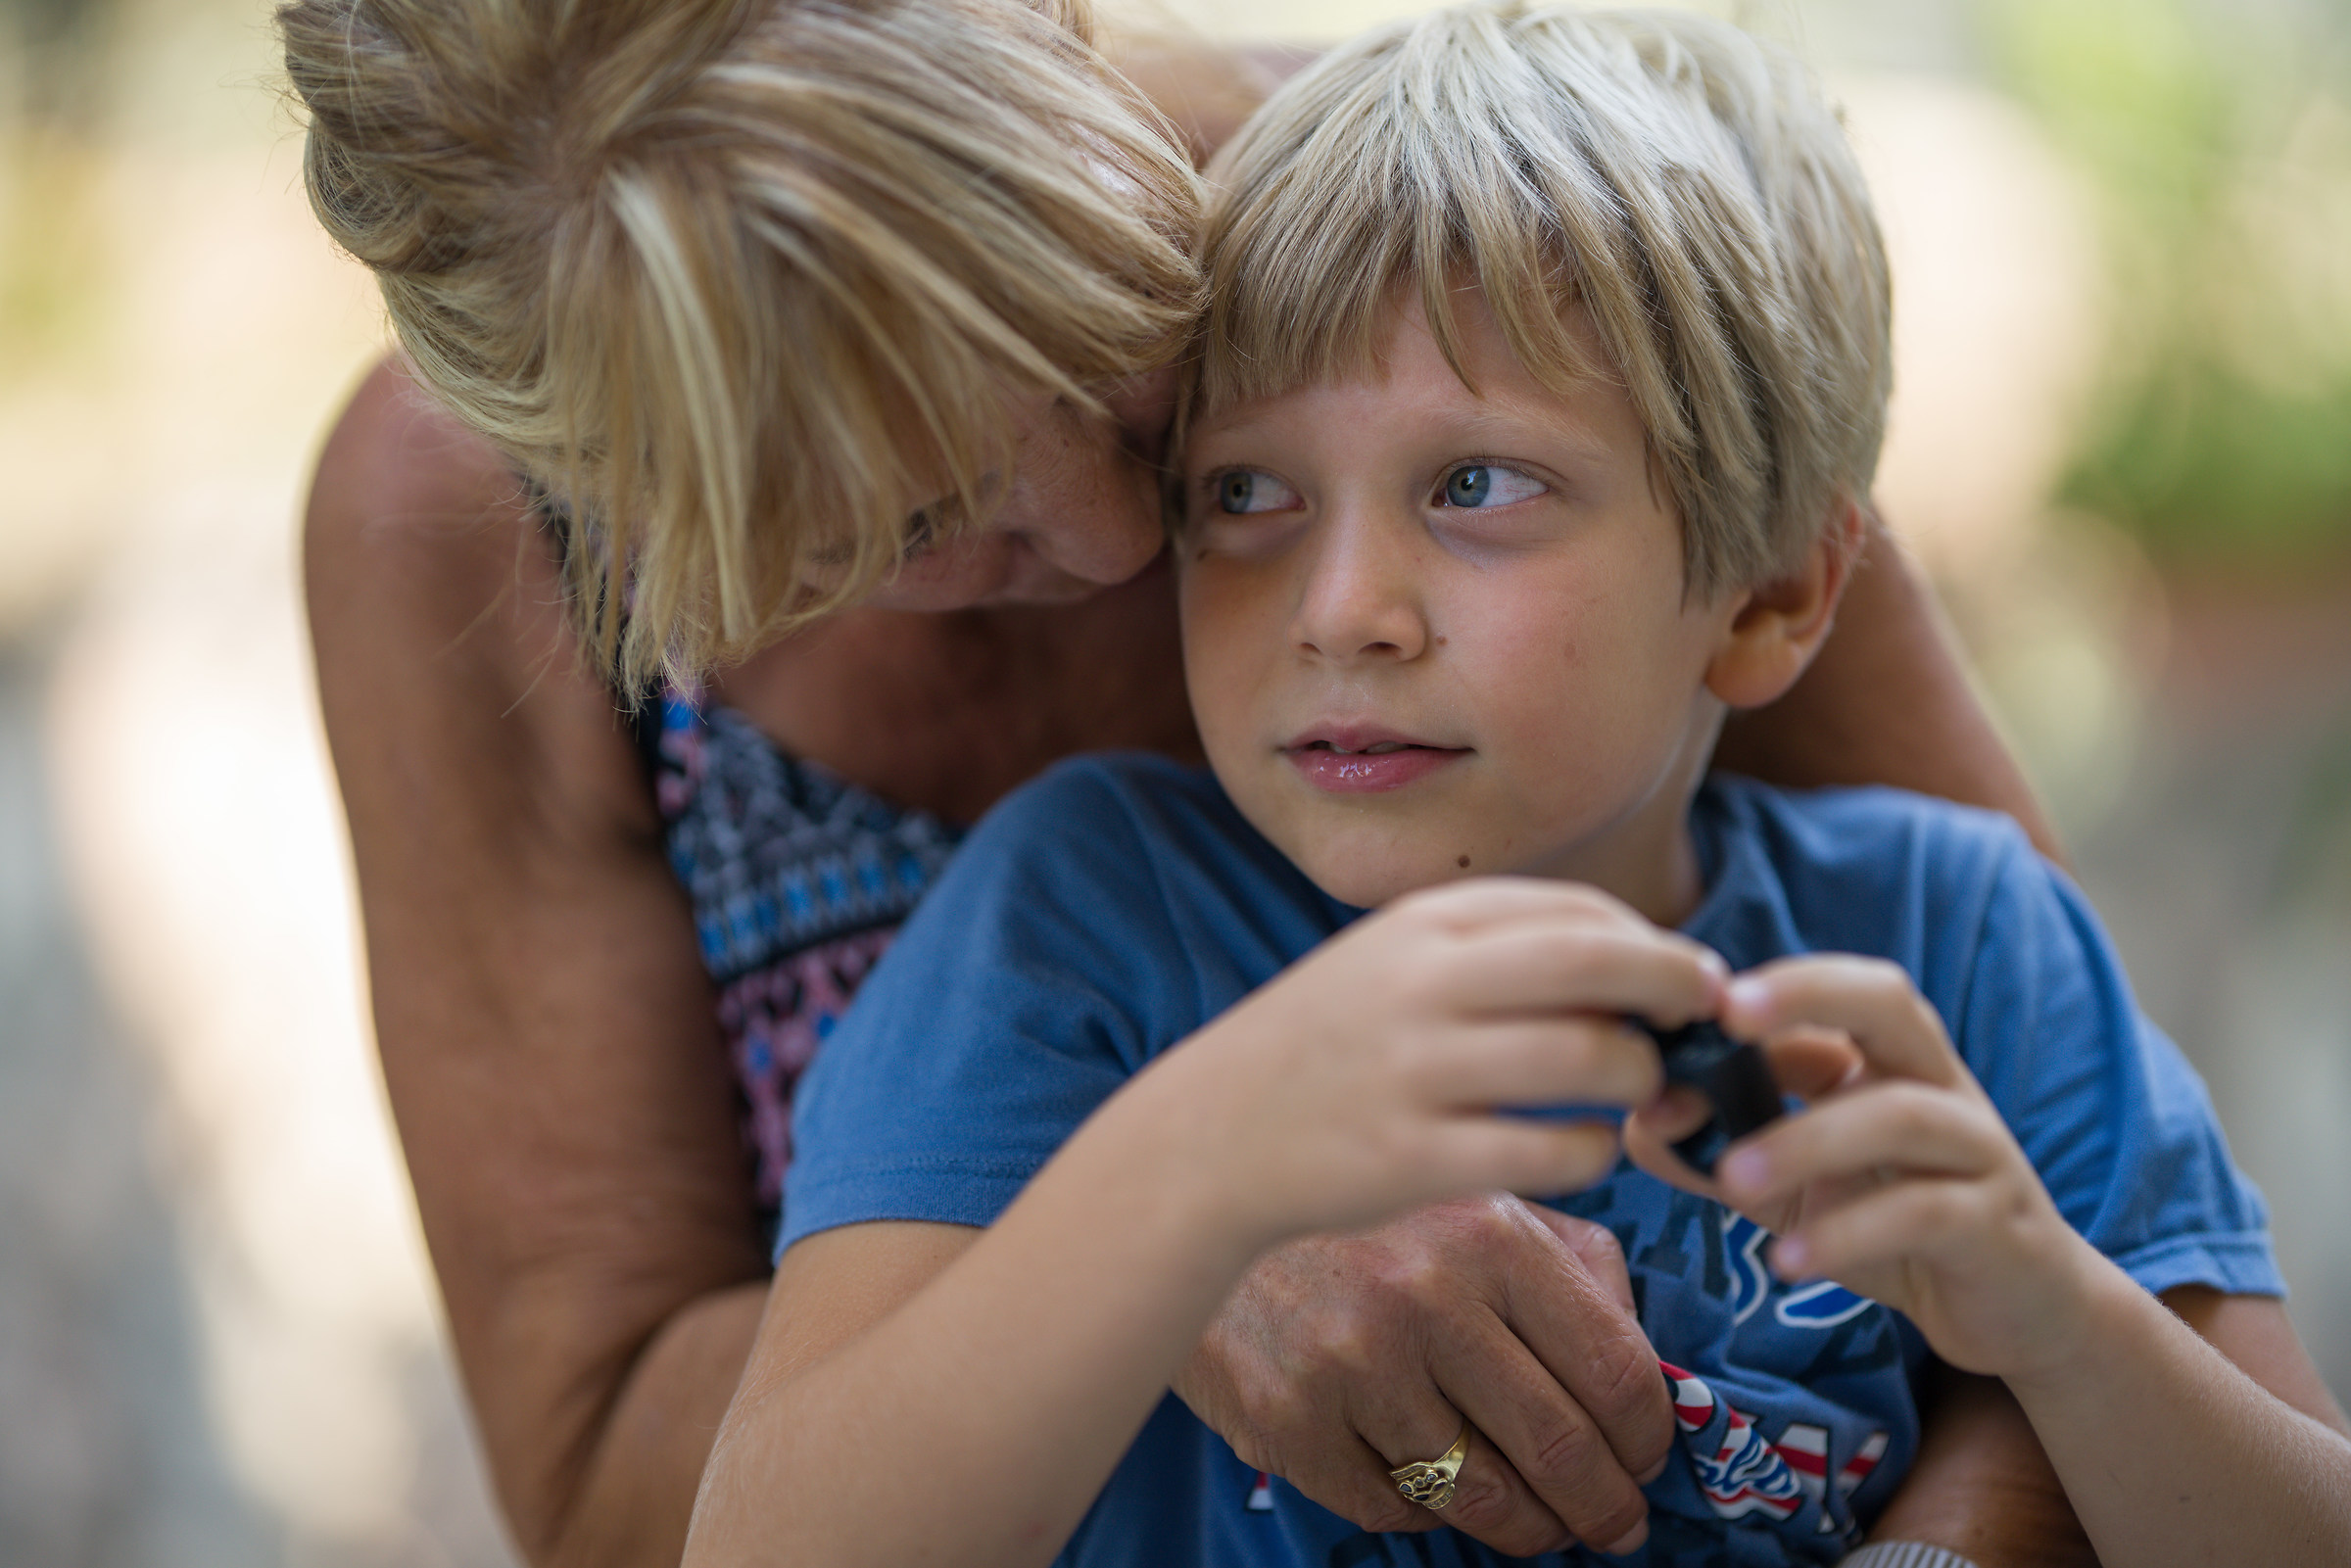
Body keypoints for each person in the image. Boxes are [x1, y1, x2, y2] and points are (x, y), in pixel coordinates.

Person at [287, 0, 2096, 1563]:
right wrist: (1158, 1255)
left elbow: (2073, 1208)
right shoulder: (464, 557)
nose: (1099, 534)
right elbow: (611, 1494)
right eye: (901, 520)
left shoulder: (1493, 255)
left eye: (1110, 342)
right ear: (618, 493)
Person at [679, 7, 2351, 1566]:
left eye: (1475, 483)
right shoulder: (1083, 922)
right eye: (1246, 491)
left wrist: (2062, 1321)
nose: (1341, 609)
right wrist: (1185, 1187)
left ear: (1773, 594)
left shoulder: (1954, 934)